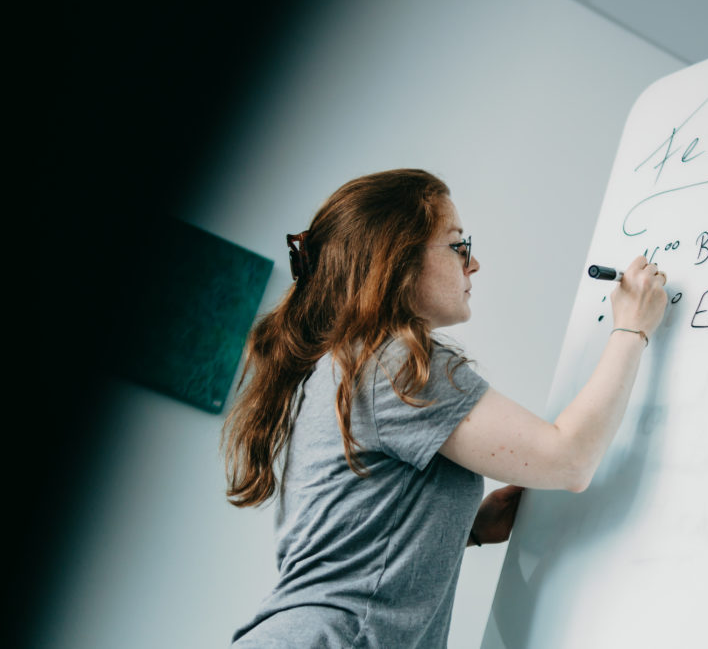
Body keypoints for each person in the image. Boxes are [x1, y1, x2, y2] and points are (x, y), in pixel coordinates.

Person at [223, 168, 667, 648]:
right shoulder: (393, 364)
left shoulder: (347, 364)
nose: (473, 264)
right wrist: (632, 328)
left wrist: (465, 530)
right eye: (458, 245)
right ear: (397, 258)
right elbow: (572, 460)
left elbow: (347, 539)